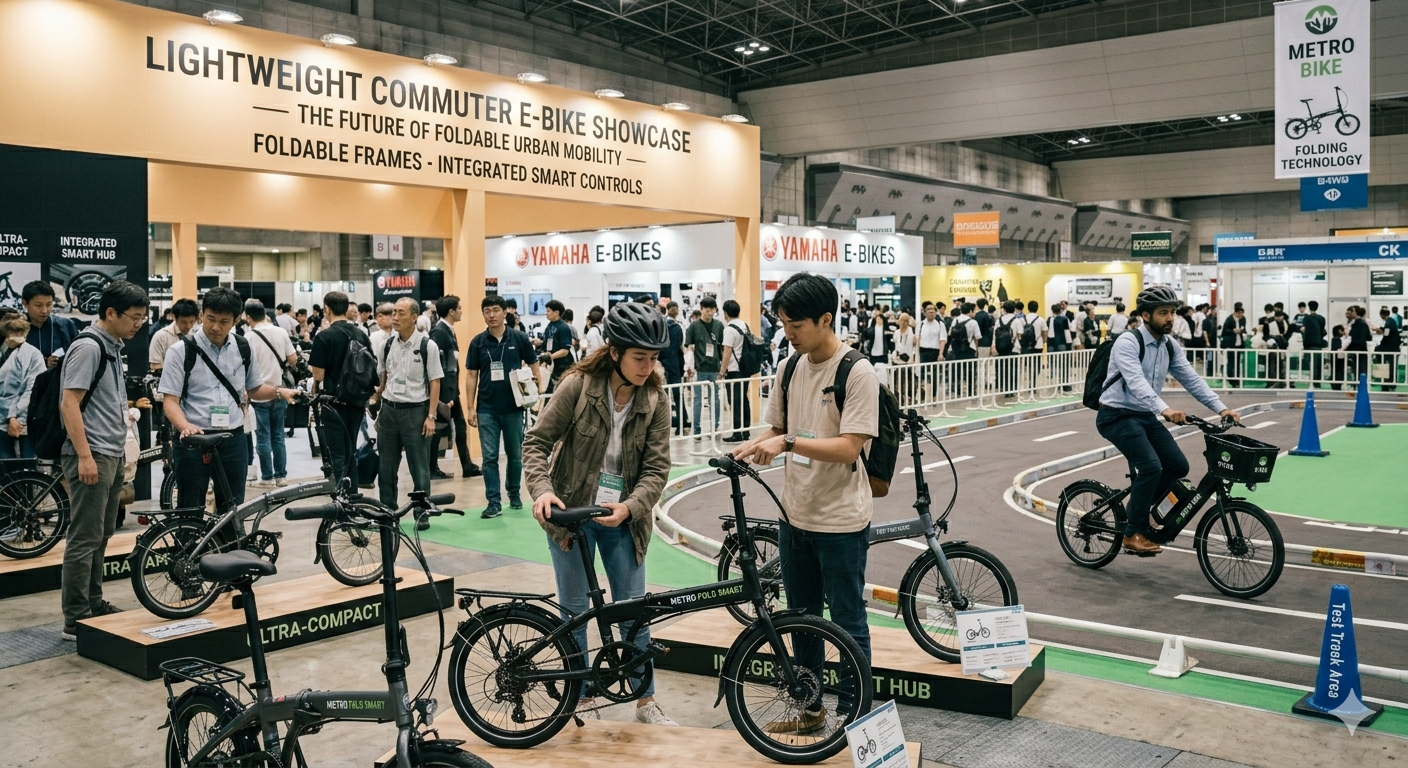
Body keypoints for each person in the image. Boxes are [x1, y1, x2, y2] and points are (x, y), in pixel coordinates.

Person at [731, 273, 880, 723]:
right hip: (794, 518)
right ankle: (810, 707)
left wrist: (789, 443)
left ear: (825, 319)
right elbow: (777, 429)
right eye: (783, 323)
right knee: (801, 620)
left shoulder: (857, 372)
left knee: (848, 624)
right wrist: (753, 445)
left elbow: (850, 446)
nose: (788, 333)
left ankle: (856, 718)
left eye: (796, 325)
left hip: (840, 524)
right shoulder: (789, 367)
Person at [522, 302, 677, 727]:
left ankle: (646, 701)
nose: (648, 366)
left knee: (634, 610)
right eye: (639, 357)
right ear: (615, 353)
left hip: (624, 518)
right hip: (571, 514)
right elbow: (536, 443)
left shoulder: (655, 400)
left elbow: (657, 468)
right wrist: (543, 491)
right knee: (574, 610)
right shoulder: (577, 386)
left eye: (654, 358)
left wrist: (629, 507)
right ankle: (582, 694)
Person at [1096, 286, 1238, 555]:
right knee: (1150, 467)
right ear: (1146, 316)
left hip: (1144, 415)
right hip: (1116, 415)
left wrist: (1221, 409)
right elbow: (1136, 383)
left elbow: (1191, 379)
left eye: (1172, 312)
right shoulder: (1127, 342)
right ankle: (1132, 532)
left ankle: (1137, 511)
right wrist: (1165, 409)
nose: (1171, 318)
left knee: (1177, 466)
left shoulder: (1169, 344)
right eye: (1164, 313)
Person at [58, 281, 149, 640]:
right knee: (84, 538)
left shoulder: (112, 347)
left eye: (143, 317)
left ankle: (94, 603)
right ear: (110, 313)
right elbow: (69, 403)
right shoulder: (89, 347)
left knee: (102, 535)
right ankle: (75, 617)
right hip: (90, 454)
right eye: (134, 317)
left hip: (109, 453)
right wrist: (84, 456)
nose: (139, 324)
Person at [161, 287, 299, 509]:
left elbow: (254, 388)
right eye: (210, 319)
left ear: (237, 320)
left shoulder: (243, 347)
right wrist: (184, 426)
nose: (215, 327)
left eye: (224, 321)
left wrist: (278, 391)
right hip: (194, 440)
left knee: (233, 507)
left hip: (232, 437)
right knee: (190, 508)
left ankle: (229, 545)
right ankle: (190, 544)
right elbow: (170, 400)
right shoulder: (180, 351)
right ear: (201, 315)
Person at [465, 295, 540, 519]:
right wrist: (470, 407)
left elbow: (534, 363)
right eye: (487, 311)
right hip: (486, 409)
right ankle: (493, 502)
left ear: (504, 312)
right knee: (489, 457)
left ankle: (514, 494)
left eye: (495, 310)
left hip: (514, 408)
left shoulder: (518, 338)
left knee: (515, 455)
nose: (491, 315)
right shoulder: (478, 342)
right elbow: (471, 375)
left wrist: (535, 390)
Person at [376, 298, 443, 527]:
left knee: (419, 466)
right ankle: (388, 511)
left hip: (415, 411)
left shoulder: (427, 345)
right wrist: (378, 402)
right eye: (393, 312)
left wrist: (431, 416)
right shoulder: (386, 344)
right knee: (385, 466)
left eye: (401, 313)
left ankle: (422, 513)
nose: (395, 317)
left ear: (414, 317)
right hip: (389, 410)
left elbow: (435, 382)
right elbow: (384, 375)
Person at [309, 291, 370, 482]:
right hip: (357, 401)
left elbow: (318, 375)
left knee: (336, 453)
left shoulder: (324, 337)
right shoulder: (361, 334)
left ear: (326, 309)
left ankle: (340, 500)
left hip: (333, 402)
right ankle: (352, 495)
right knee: (350, 450)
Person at [244, 299, 298, 488]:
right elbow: (293, 360)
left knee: (263, 436)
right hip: (280, 391)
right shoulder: (281, 332)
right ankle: (281, 477)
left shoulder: (248, 337)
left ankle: (267, 478)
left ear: (248, 317)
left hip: (259, 393)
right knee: (278, 436)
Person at [429, 296, 482, 480]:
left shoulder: (448, 331)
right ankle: (432, 467)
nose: (461, 311)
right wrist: (445, 394)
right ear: (451, 311)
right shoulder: (439, 332)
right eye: (459, 308)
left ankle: (467, 466)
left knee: (460, 427)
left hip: (452, 390)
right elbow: (440, 366)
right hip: (445, 392)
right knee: (438, 429)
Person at [0, 315, 44, 458]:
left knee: (27, 465)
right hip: (3, 416)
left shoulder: (32, 354)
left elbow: (31, 390)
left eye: (19, 332)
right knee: (6, 465)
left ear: (25, 333)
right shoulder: (4, 352)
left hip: (26, 416)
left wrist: (13, 416)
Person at [685, 297, 723, 440]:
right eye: (707, 310)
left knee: (715, 399)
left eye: (712, 310)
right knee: (697, 399)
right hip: (699, 368)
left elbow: (722, 347)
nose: (709, 313)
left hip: (714, 367)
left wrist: (722, 368)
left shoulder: (719, 325)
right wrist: (689, 366)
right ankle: (696, 430)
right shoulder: (694, 326)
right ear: (701, 310)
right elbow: (688, 346)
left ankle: (715, 426)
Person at [720, 300, 755, 444]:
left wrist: (722, 370)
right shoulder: (744, 325)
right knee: (744, 400)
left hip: (734, 370)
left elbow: (727, 350)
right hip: (745, 368)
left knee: (734, 401)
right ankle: (745, 430)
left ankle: (736, 432)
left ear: (726, 313)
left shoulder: (729, 329)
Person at [22, 281, 78, 369]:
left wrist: (60, 361)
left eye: (49, 304)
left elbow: (77, 357)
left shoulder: (66, 326)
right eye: (38, 305)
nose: (44, 310)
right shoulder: (15, 329)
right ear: (25, 304)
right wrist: (43, 363)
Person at [658, 302, 687, 435]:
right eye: (673, 309)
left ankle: (667, 422)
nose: (675, 311)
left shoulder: (662, 326)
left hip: (665, 364)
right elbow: (679, 348)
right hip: (674, 364)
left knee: (664, 395)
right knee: (676, 394)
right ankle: (681, 421)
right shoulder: (676, 327)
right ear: (668, 310)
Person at [534, 300, 574, 392]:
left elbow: (565, 351)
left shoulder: (563, 327)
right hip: (552, 366)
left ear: (556, 312)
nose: (546, 313)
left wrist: (549, 357)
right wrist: (539, 342)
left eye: (548, 311)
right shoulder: (550, 325)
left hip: (563, 367)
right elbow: (547, 342)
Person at [149, 299, 198, 372]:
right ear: (174, 317)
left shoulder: (198, 334)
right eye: (184, 322)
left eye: (192, 322)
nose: (188, 326)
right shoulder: (161, 336)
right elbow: (156, 366)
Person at [992, 301, 1025, 395]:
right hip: (1014, 348)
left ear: (1004, 309)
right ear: (1014, 309)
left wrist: (994, 345)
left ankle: (1005, 388)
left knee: (1003, 369)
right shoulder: (1017, 320)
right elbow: (1020, 334)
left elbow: (995, 334)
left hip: (1000, 348)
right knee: (1013, 369)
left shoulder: (999, 320)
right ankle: (1012, 389)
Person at [1301, 300, 1327, 386]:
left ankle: (1312, 380)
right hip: (1318, 343)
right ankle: (1317, 382)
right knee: (1318, 363)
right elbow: (1323, 331)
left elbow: (1304, 330)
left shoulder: (1306, 318)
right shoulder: (1321, 318)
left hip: (1308, 344)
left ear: (1309, 307)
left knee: (1311, 363)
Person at [1220, 303, 1246, 387]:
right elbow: (1224, 331)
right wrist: (1233, 331)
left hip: (1239, 344)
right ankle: (1231, 379)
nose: (1241, 315)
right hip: (1231, 344)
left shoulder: (1243, 319)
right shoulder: (1229, 319)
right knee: (1231, 362)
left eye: (1242, 313)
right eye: (1239, 313)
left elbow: (1244, 329)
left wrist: (1241, 331)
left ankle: (1237, 379)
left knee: (1238, 362)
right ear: (1235, 312)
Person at [1345, 305, 1371, 386]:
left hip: (1357, 349)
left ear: (1355, 312)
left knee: (1357, 368)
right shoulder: (1363, 323)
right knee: (1361, 368)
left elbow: (1353, 337)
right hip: (1363, 348)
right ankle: (1361, 383)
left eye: (1352, 311)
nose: (1350, 313)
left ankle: (1358, 384)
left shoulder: (1357, 324)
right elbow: (1369, 337)